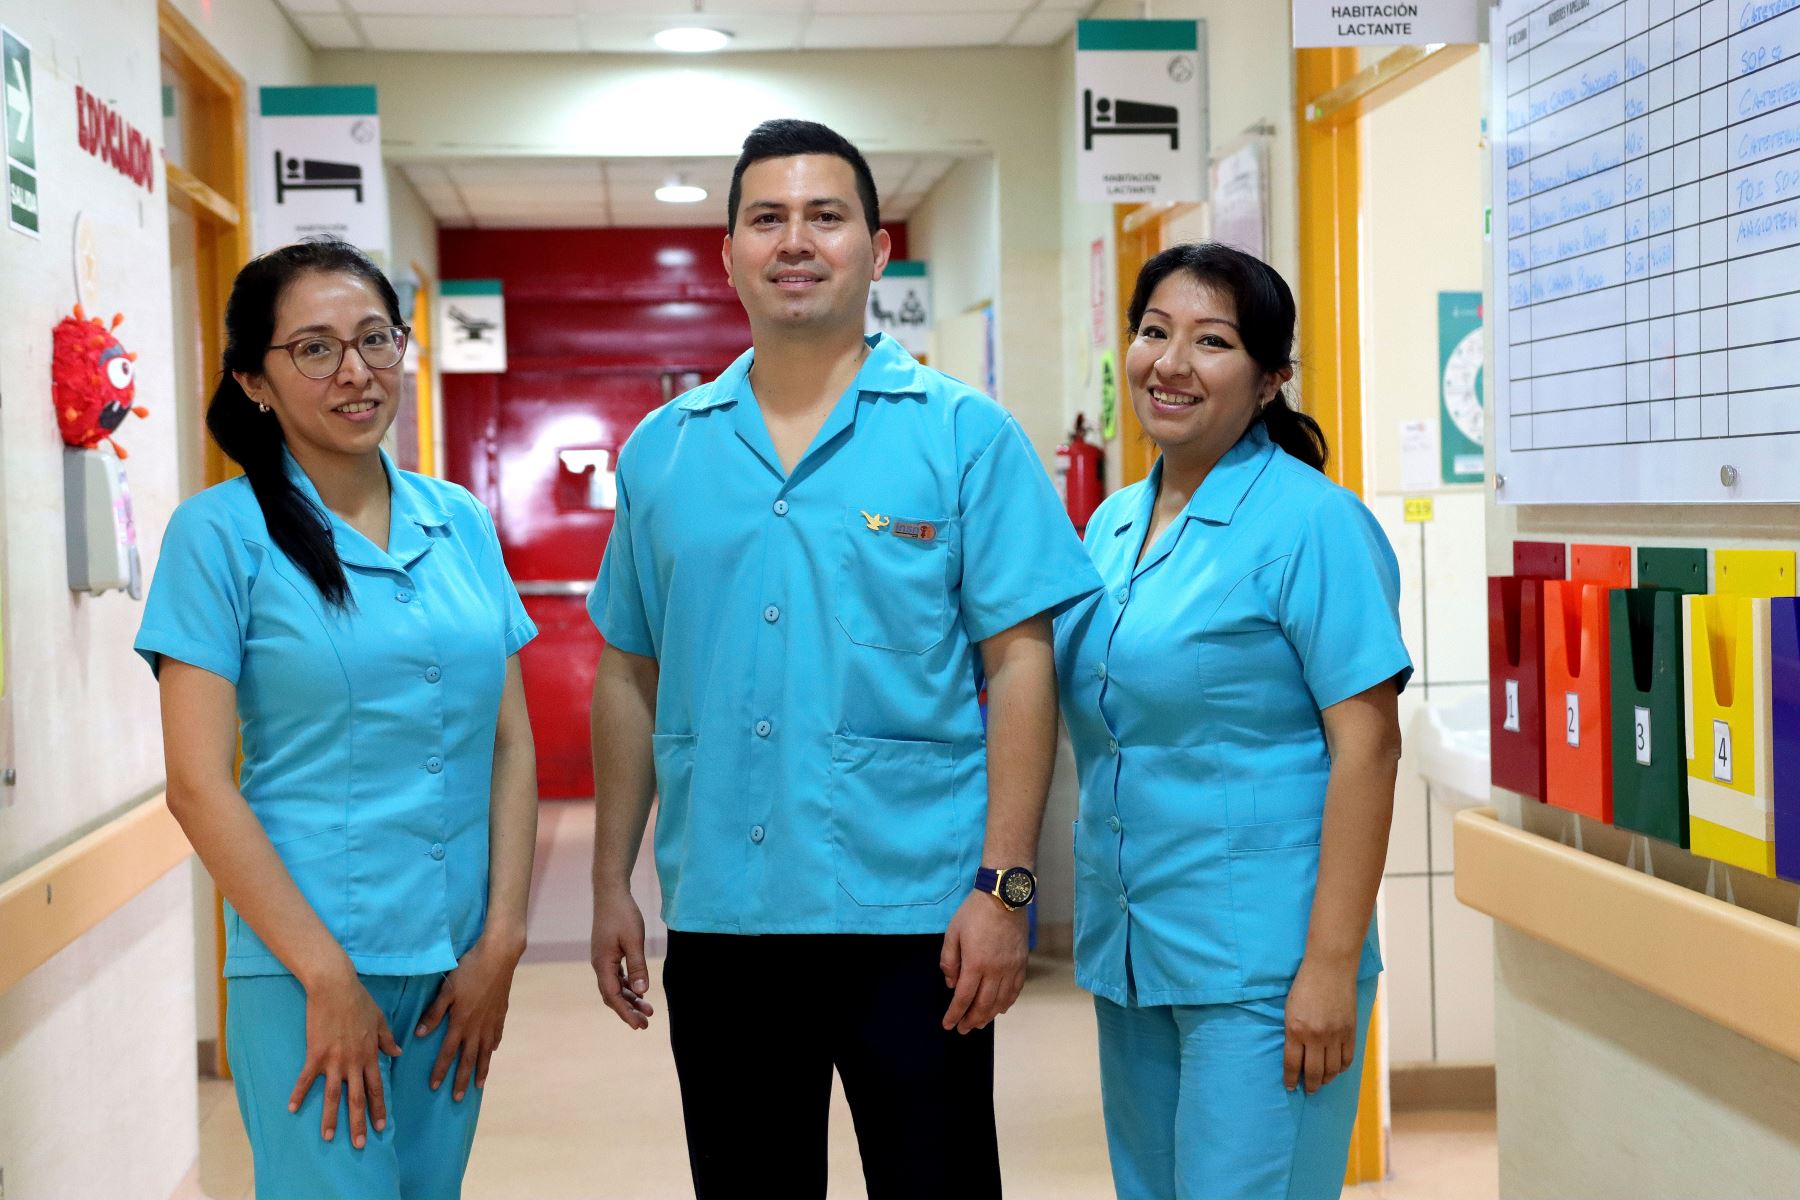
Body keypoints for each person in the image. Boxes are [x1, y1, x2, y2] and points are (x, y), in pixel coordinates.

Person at [586, 118, 1100, 1199]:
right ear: (727, 253)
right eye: (766, 218)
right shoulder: (665, 450)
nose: (796, 240)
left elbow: (1020, 666)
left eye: (826, 216)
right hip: (726, 912)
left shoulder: (963, 435)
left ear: (874, 246)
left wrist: (1005, 889)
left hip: (917, 921)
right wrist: (608, 885)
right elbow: (629, 672)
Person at [135, 238, 539, 1200]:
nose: (355, 372)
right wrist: (325, 977)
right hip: (307, 967)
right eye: (314, 349)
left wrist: (503, 942)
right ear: (255, 381)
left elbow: (510, 741)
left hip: (455, 964)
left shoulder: (459, 521)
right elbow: (196, 785)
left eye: (374, 339)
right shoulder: (219, 536)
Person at [1054, 242, 1410, 1200]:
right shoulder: (1113, 525)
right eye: (1154, 332)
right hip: (1136, 949)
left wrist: (1330, 967)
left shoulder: (1312, 525)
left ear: (1268, 380)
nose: (1170, 363)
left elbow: (1368, 748)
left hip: (1265, 966)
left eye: (1210, 341)